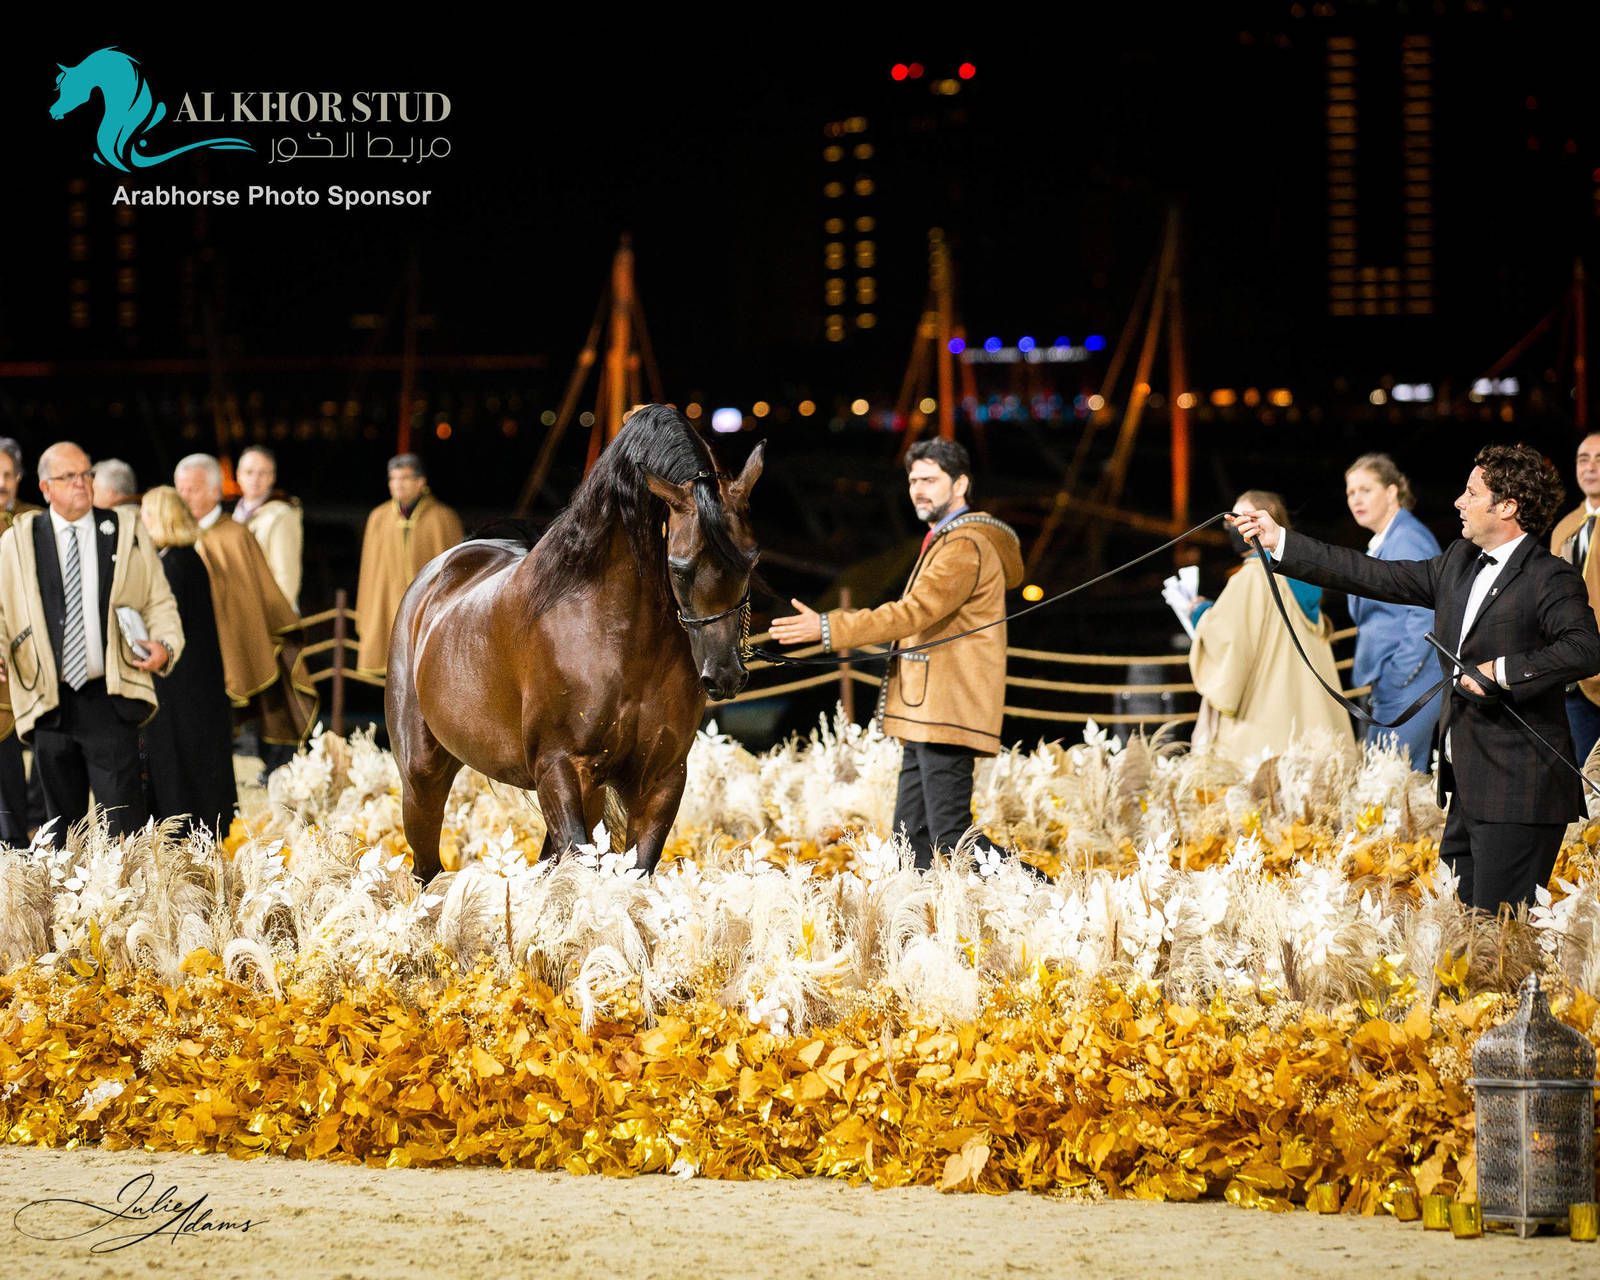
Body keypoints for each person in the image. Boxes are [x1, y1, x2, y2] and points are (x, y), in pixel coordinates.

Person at [1231, 444, 1600, 914]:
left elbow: (1586, 649)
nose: (1458, 503)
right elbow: (1372, 574)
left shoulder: (1551, 576)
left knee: (1500, 939)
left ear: (1506, 507)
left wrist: (1500, 672)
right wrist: (1281, 541)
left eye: (1471, 493)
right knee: (1460, 933)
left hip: (1519, 795)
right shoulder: (1459, 561)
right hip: (1467, 789)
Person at [771, 439, 1022, 867]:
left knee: (951, 834)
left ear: (960, 484)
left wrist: (828, 626)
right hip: (928, 708)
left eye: (929, 480)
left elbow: (911, 614)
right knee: (911, 837)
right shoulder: (947, 539)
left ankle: (1037, 894)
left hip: (947, 707)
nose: (918, 490)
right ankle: (914, 921)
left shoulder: (964, 546)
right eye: (912, 481)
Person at [0, 442, 184, 844]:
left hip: (109, 699)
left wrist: (166, 646)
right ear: (47, 488)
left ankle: (127, 904)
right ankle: (66, 907)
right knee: (59, 833)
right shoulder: (18, 540)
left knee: (124, 829)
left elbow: (160, 600)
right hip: (48, 700)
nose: (82, 483)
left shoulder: (124, 529)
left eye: (87, 474)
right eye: (70, 477)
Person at [1187, 491, 1354, 760]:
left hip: (1266, 730)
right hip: (1313, 724)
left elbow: (1227, 641)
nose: (1233, 526)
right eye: (1230, 520)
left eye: (1241, 518)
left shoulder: (1252, 577)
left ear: (1266, 522)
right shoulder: (1302, 573)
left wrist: (1200, 613)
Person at [174, 453, 316, 764]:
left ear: (215, 491)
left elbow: (280, 579)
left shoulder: (245, 529)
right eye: (179, 490)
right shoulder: (179, 533)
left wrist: (269, 620)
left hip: (241, 633)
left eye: (192, 489)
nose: (184, 498)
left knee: (249, 709)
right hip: (186, 651)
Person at [138, 487, 237, 836]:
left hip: (180, 687)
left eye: (146, 514)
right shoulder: (185, 558)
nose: (142, 521)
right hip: (194, 685)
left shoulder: (174, 564)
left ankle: (179, 831)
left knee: (179, 760)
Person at [1343, 453, 1443, 765]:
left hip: (1408, 686)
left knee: (1396, 782)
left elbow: (1427, 612)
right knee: (1387, 780)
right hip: (1393, 685)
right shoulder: (1389, 538)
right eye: (1350, 492)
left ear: (1391, 492)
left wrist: (1399, 674)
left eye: (1365, 490)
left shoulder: (1408, 539)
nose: (1356, 499)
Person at [355, 453, 464, 675]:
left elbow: (457, 570)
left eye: (404, 478)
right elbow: (369, 572)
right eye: (393, 479)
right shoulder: (379, 517)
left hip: (429, 606)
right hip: (388, 603)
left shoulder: (442, 517)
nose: (397, 485)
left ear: (420, 481)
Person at [0, 438, 44, 845]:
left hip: (33, 657)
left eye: (8, 474)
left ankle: (34, 830)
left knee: (41, 745)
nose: (1, 483)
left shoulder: (36, 521)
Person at [1548, 430, 1600, 764]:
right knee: (1585, 782)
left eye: (1599, 459)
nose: (1591, 467)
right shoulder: (1564, 528)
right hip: (1575, 679)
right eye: (1584, 459)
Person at [233, 445, 303, 613]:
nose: (255, 479)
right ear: (238, 475)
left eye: (263, 473)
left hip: (270, 616)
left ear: (272, 477)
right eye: (249, 472)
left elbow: (287, 576)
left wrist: (276, 617)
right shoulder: (238, 514)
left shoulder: (281, 515)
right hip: (245, 612)